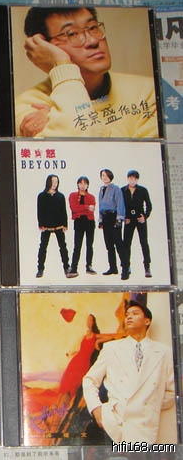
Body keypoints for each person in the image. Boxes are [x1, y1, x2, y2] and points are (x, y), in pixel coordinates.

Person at [15, 7, 158, 138]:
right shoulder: (29, 104)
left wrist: (62, 120)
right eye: (71, 34)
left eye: (93, 27)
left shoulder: (148, 92)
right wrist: (61, 64)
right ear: (44, 47)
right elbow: (78, 149)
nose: (93, 40)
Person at [82, 300, 175, 443]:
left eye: (135, 313)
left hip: (145, 426)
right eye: (127, 315)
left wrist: (149, 405)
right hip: (114, 423)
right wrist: (96, 408)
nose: (129, 317)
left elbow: (171, 391)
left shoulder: (163, 352)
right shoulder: (111, 348)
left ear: (147, 321)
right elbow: (89, 380)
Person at [36, 174, 70, 278]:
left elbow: (64, 211)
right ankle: (40, 269)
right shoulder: (41, 196)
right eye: (53, 181)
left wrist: (65, 224)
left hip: (59, 225)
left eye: (56, 182)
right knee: (43, 247)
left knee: (63, 247)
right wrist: (41, 224)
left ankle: (67, 267)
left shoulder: (60, 196)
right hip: (46, 226)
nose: (55, 184)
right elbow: (40, 211)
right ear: (48, 182)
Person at [98, 169, 130, 280]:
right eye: (103, 175)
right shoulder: (101, 189)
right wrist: (100, 220)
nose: (104, 177)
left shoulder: (116, 189)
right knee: (109, 245)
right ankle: (113, 268)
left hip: (114, 217)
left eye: (106, 175)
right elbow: (100, 205)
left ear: (110, 176)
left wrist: (119, 219)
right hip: (105, 218)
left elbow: (120, 204)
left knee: (119, 245)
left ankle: (125, 269)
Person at [122, 170, 152, 278]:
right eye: (130, 178)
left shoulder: (143, 190)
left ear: (137, 179)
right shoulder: (122, 190)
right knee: (126, 243)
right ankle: (126, 266)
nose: (132, 180)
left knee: (144, 243)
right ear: (127, 178)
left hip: (140, 219)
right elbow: (119, 205)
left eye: (134, 178)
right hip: (128, 219)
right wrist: (124, 217)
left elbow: (149, 205)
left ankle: (147, 267)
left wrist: (145, 216)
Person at [67, 176, 96, 277]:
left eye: (85, 183)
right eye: (81, 183)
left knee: (89, 245)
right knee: (77, 245)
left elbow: (92, 210)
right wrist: (86, 207)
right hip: (79, 222)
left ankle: (89, 266)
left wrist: (81, 209)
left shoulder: (91, 197)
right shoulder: (73, 195)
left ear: (88, 185)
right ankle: (74, 267)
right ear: (78, 184)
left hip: (89, 222)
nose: (83, 185)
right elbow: (74, 208)